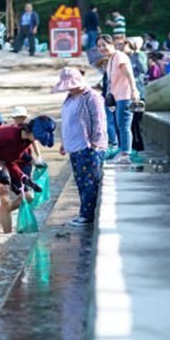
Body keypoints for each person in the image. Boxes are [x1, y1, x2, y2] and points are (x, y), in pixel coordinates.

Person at [0, 116, 55, 236]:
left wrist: (26, 180)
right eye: (37, 138)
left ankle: (6, 235)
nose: (36, 141)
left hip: (0, 161)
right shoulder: (8, 135)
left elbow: (11, 161)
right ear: (31, 131)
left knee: (4, 202)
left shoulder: (25, 141)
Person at [53, 68, 107, 227]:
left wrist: (96, 143)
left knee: (88, 181)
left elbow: (99, 121)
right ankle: (83, 213)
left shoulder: (92, 97)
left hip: (88, 146)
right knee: (80, 180)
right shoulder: (69, 98)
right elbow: (68, 123)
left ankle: (87, 215)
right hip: (74, 146)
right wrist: (64, 142)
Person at [97, 34, 139, 164]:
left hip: (125, 96)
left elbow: (129, 74)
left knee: (124, 126)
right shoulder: (111, 60)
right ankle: (123, 151)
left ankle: (125, 153)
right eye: (99, 46)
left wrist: (134, 90)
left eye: (104, 45)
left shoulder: (120, 56)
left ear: (112, 44)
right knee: (120, 125)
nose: (102, 48)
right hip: (117, 97)